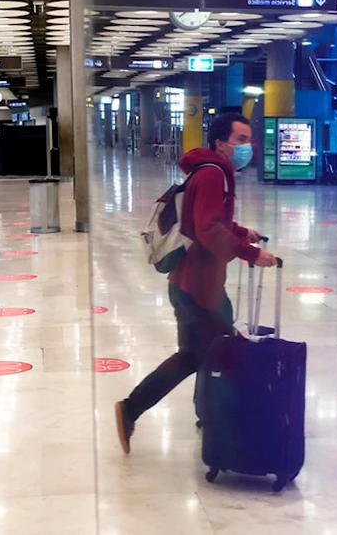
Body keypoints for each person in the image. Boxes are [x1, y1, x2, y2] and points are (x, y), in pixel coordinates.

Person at [114, 112, 278, 454]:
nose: (248, 147)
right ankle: (134, 407)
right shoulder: (214, 175)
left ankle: (205, 415)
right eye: (241, 140)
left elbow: (209, 221)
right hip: (197, 286)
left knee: (208, 351)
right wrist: (250, 252)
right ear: (221, 144)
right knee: (206, 353)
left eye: (250, 139)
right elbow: (206, 229)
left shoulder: (210, 171)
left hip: (198, 283)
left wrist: (240, 232)